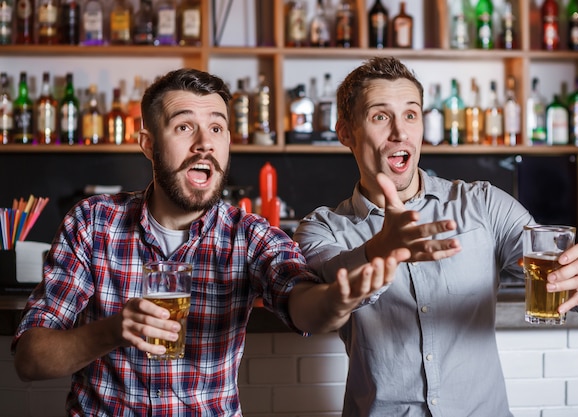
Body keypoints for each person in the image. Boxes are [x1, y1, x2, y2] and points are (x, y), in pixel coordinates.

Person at [11, 68, 402, 416]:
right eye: (184, 127)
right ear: (148, 144)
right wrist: (114, 330)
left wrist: (338, 300)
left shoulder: (250, 235)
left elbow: (303, 304)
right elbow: (30, 358)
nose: (204, 144)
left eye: (216, 128)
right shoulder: (92, 223)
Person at [293, 56, 578, 417]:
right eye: (380, 116)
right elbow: (326, 301)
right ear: (345, 133)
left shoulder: (482, 204)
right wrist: (378, 251)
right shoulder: (323, 228)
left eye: (411, 114)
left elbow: (551, 255)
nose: (400, 132)